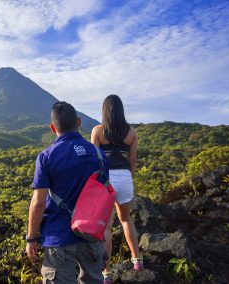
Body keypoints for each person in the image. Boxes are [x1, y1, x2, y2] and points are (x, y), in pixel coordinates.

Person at [26, 101, 108, 284]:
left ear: (52, 128)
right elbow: (105, 198)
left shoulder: (47, 156)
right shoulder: (98, 154)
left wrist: (31, 238)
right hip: (92, 234)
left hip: (59, 235)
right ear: (79, 121)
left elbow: (38, 202)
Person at [91, 94, 143, 283]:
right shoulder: (132, 132)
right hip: (124, 177)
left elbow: (94, 161)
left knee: (105, 228)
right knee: (126, 219)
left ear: (105, 110)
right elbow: (133, 161)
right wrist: (129, 176)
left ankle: (106, 273)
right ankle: (137, 260)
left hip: (105, 180)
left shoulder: (97, 131)